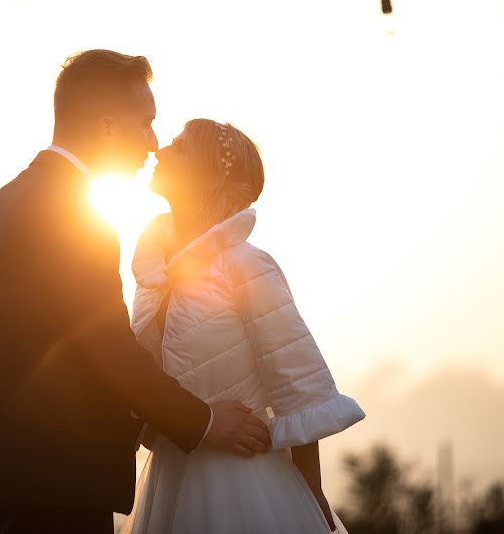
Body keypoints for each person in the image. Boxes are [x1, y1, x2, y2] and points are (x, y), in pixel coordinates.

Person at [0, 51, 271, 534]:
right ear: (105, 128)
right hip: (58, 484)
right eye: (144, 124)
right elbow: (108, 347)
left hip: (9, 478)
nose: (154, 142)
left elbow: (55, 353)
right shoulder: (70, 215)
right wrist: (202, 420)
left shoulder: (2, 204)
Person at [122, 119, 366, 534]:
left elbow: (298, 382)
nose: (161, 150)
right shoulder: (154, 275)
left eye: (179, 147)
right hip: (171, 472)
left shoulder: (247, 265)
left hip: (243, 480)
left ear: (208, 175)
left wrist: (311, 492)